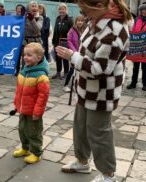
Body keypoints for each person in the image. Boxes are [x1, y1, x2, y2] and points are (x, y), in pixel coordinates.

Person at [55, 0, 132, 181]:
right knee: (80, 127)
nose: (84, 14)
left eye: (85, 10)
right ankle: (82, 162)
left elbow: (100, 69)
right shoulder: (96, 20)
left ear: (98, 6)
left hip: (102, 93)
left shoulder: (115, 30)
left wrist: (71, 56)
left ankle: (108, 174)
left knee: (99, 133)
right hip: (85, 88)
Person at [12, 42, 50, 164]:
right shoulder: (24, 71)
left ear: (38, 58)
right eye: (24, 55)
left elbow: (43, 96)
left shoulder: (41, 76)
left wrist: (38, 112)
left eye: (29, 55)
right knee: (22, 130)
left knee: (34, 132)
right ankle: (25, 148)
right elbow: (19, 90)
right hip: (23, 109)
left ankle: (36, 153)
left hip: (33, 111)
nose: (25, 57)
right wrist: (17, 104)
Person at [63, 15, 86, 92]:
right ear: (75, 22)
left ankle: (74, 85)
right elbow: (69, 41)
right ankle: (66, 85)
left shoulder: (85, 30)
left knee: (79, 70)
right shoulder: (72, 30)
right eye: (78, 21)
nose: (80, 22)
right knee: (72, 69)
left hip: (82, 53)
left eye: (81, 21)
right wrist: (74, 51)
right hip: (73, 53)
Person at [127, 3, 146, 91]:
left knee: (145, 67)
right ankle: (133, 83)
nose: (143, 11)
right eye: (142, 10)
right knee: (135, 67)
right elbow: (133, 30)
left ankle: (145, 84)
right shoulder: (137, 19)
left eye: (145, 10)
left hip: (145, 48)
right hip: (137, 47)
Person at [52, 3, 73, 79]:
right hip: (57, 41)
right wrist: (54, 41)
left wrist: (70, 42)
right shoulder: (57, 18)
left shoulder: (69, 19)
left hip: (65, 42)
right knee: (58, 58)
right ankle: (58, 73)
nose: (61, 10)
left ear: (66, 10)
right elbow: (55, 30)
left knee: (65, 57)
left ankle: (66, 73)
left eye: (63, 9)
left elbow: (72, 32)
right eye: (60, 9)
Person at [14, 4, 26, 76]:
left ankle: (23, 70)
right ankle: (17, 70)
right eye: (18, 8)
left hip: (23, 40)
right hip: (16, 41)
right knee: (17, 57)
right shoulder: (14, 18)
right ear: (16, 10)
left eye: (21, 9)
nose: (19, 10)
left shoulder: (24, 18)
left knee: (23, 56)